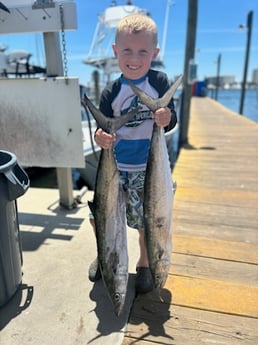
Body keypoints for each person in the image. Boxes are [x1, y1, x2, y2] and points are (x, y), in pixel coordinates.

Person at [88, 13, 177, 294]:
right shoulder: (112, 90)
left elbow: (172, 120)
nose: (134, 58)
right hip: (116, 168)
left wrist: (165, 117)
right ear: (116, 51)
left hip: (147, 170)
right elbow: (100, 127)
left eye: (143, 51)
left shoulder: (160, 82)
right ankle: (106, 253)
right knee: (99, 217)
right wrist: (101, 136)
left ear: (155, 53)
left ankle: (146, 262)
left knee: (145, 222)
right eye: (127, 50)